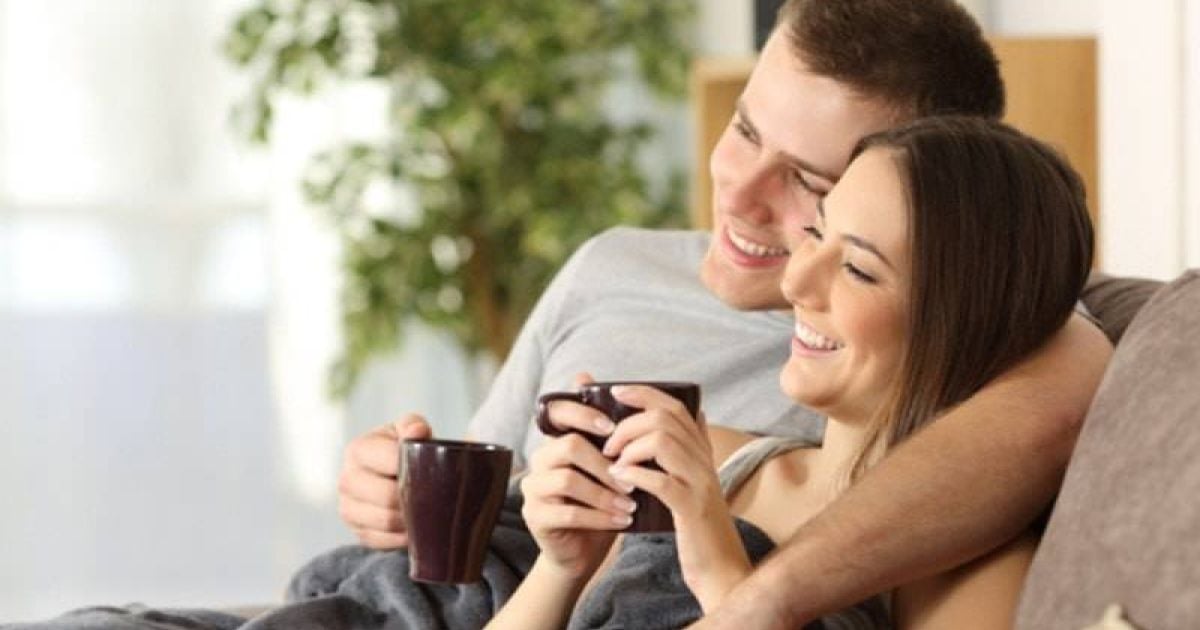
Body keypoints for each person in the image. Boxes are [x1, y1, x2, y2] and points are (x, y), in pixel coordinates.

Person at [338, 2, 1111, 624]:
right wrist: (392, 497)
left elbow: (1056, 393)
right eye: (745, 129)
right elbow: (481, 526)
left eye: (809, 181)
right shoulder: (615, 270)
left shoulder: (984, 372)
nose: (739, 193)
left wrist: (743, 592)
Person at [487, 115, 1095, 629]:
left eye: (857, 269)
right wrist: (562, 570)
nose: (796, 281)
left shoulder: (969, 571)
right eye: (816, 233)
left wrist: (723, 576)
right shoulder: (713, 460)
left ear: (967, 325)